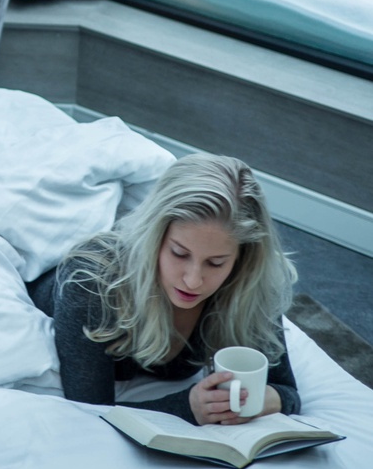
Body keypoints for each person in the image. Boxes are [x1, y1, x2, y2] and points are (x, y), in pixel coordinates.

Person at [26, 153, 300, 426]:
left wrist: (264, 400)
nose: (193, 280)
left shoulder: (251, 285)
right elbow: (90, 412)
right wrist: (187, 407)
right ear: (153, 238)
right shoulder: (92, 283)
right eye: (179, 254)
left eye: (216, 263)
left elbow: (287, 392)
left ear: (242, 258)